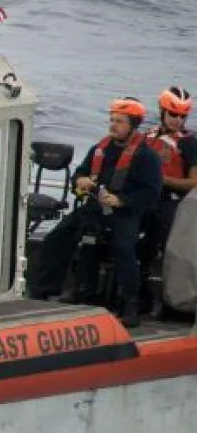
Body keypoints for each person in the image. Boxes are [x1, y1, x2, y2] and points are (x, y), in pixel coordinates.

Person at [28, 97, 163, 323]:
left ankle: (130, 303)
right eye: (112, 120)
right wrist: (80, 181)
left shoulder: (146, 157)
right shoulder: (100, 149)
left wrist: (121, 201)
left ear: (133, 125)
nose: (113, 125)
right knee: (57, 237)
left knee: (123, 248)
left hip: (125, 213)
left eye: (119, 121)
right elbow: (79, 172)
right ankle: (44, 291)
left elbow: (151, 193)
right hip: (94, 207)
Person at [138, 86, 197, 313]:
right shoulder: (146, 138)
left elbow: (194, 182)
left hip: (173, 202)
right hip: (144, 200)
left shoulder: (189, 143)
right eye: (173, 115)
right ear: (162, 111)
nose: (178, 121)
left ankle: (166, 301)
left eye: (183, 116)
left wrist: (162, 180)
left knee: (167, 240)